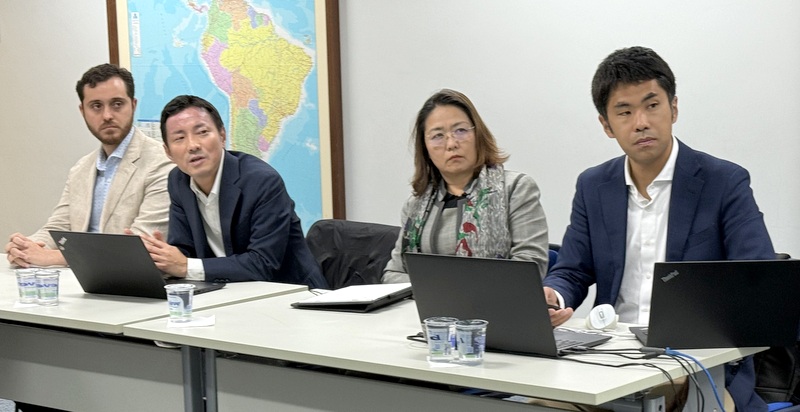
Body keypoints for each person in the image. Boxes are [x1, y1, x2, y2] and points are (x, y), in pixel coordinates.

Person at [542, 46, 774, 411]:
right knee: (537, 403)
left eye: (652, 105)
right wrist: (553, 295)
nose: (640, 122)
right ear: (606, 125)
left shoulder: (723, 181)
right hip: (607, 359)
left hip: (696, 362)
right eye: (624, 111)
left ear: (673, 109)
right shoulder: (593, 186)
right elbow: (572, 270)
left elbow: (758, 277)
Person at [135, 95, 327, 288]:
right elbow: (184, 252)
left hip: (293, 293)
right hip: (227, 293)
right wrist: (156, 257)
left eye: (202, 132)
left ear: (222, 136)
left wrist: (185, 266)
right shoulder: (178, 181)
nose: (193, 145)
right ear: (168, 152)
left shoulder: (262, 181)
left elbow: (263, 264)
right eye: (179, 138)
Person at [4, 63, 173, 268]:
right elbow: (58, 228)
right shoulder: (81, 168)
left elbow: (143, 245)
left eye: (117, 104)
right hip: (80, 281)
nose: (107, 115)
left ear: (133, 105)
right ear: (82, 110)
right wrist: (25, 247)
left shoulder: (162, 162)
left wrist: (54, 257)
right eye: (96, 106)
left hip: (132, 282)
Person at [382, 89, 548, 283]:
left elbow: (530, 268)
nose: (451, 143)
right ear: (425, 147)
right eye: (438, 136)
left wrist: (446, 288)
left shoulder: (515, 189)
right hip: (426, 302)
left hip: (496, 301)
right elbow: (392, 274)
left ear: (478, 135)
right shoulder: (415, 205)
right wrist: (435, 291)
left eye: (460, 131)